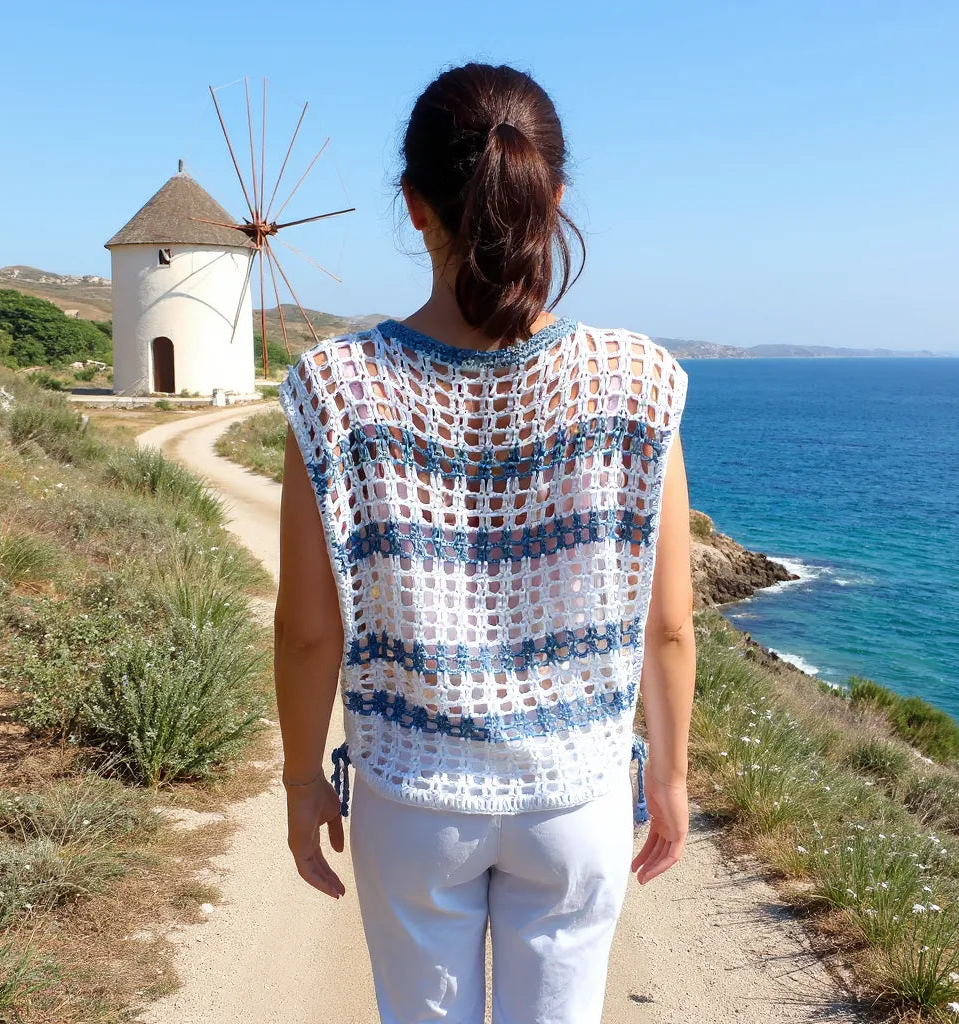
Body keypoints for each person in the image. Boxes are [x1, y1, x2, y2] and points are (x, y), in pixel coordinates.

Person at [273, 61, 695, 1024]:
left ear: (415, 206)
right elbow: (667, 626)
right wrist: (668, 778)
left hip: (412, 799)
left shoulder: (338, 389)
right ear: (554, 199)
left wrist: (302, 782)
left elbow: (306, 632)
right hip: (576, 797)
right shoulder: (637, 384)